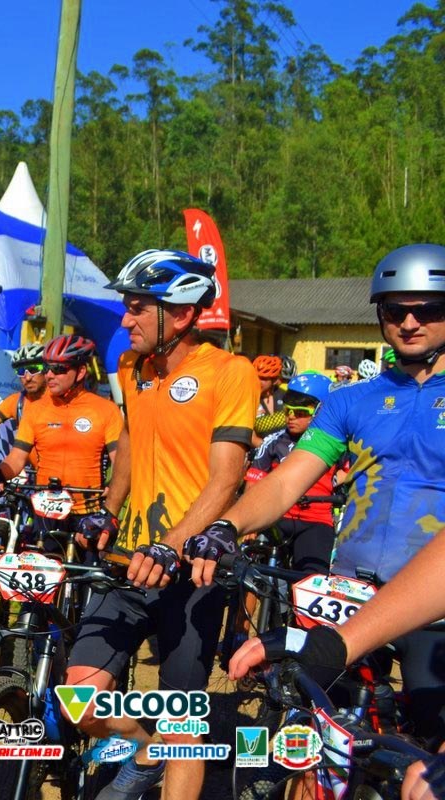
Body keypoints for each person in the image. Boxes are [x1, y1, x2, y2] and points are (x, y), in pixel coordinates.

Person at [202, 243, 445, 747]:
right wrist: (227, 525)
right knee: (318, 740)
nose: (409, 323)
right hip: (349, 597)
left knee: (424, 754)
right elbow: (286, 481)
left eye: (428, 310)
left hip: (433, 609)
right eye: (394, 311)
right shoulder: (351, 400)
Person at [65, 249, 258, 800]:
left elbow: (226, 479)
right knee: (80, 700)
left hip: (192, 569)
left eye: (136, 308)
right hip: (129, 559)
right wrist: (109, 505)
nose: (124, 320)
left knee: (183, 722)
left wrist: (171, 546)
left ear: (181, 313)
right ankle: (146, 750)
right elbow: (131, 436)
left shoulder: (231, 372)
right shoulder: (133, 368)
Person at [226, 531, 445, 800]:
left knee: (426, 746)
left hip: (430, 610)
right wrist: (332, 646)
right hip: (349, 587)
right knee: (322, 734)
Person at [0, 334, 123, 542]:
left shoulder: (105, 410)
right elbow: (17, 458)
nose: (49, 375)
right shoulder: (35, 409)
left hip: (89, 512)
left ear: (80, 372)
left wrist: (113, 485)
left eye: (59, 369)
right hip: (46, 510)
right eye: (47, 368)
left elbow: (120, 461)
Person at [244, 371, 344, 574]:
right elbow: (252, 483)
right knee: (249, 573)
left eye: (300, 412)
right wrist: (249, 522)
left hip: (316, 521)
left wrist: (334, 480)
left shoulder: (337, 442)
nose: (291, 417)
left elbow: (352, 470)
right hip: (274, 517)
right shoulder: (273, 442)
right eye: (288, 410)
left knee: (312, 580)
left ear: (320, 411)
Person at [0, 342, 49, 429]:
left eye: (33, 370)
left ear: (46, 369)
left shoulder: (61, 398)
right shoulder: (16, 401)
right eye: (21, 371)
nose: (28, 378)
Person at [252, 354, 286, 445]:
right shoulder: (249, 400)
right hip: (261, 450)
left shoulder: (285, 396)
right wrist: (268, 449)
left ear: (274, 380)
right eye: (256, 377)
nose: (258, 381)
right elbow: (251, 437)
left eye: (263, 378)